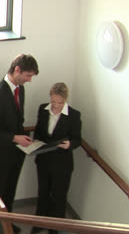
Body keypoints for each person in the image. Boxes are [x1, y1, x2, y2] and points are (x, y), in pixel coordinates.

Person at [0, 54, 39, 233]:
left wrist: (24, 138)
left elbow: (17, 121)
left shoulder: (20, 89)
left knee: (10, 193)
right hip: (0, 156)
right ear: (17, 70)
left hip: (15, 153)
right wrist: (15, 138)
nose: (29, 80)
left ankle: (7, 225)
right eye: (28, 75)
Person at [31, 83, 81, 234]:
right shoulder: (43, 109)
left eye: (60, 103)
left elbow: (78, 140)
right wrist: (35, 142)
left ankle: (55, 229)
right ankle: (39, 224)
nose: (56, 106)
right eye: (53, 102)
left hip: (62, 163)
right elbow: (38, 131)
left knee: (59, 196)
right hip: (44, 160)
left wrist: (69, 144)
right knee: (43, 193)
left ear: (65, 100)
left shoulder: (74, 115)